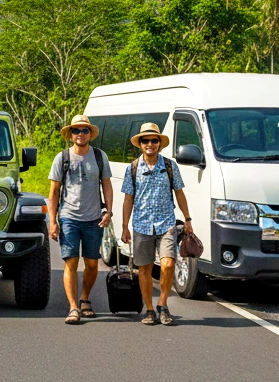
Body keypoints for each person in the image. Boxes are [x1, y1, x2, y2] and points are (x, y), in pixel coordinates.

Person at [120, 121, 192, 326]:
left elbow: (179, 193)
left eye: (154, 140)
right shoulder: (133, 168)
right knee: (144, 269)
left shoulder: (169, 166)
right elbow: (128, 199)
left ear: (159, 143)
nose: (150, 144)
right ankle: (149, 309)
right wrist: (125, 226)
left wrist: (187, 219)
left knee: (168, 263)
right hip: (141, 224)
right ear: (140, 144)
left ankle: (163, 304)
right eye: (145, 140)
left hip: (166, 222)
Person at [48, 114, 113, 325]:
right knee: (71, 262)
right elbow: (54, 191)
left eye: (85, 130)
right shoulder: (62, 157)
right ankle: (73, 307)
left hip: (94, 218)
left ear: (90, 134)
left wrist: (109, 211)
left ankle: (85, 299)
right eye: (77, 130)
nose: (81, 134)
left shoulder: (99, 156)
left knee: (92, 264)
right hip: (69, 217)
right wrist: (53, 220)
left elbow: (106, 185)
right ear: (71, 134)